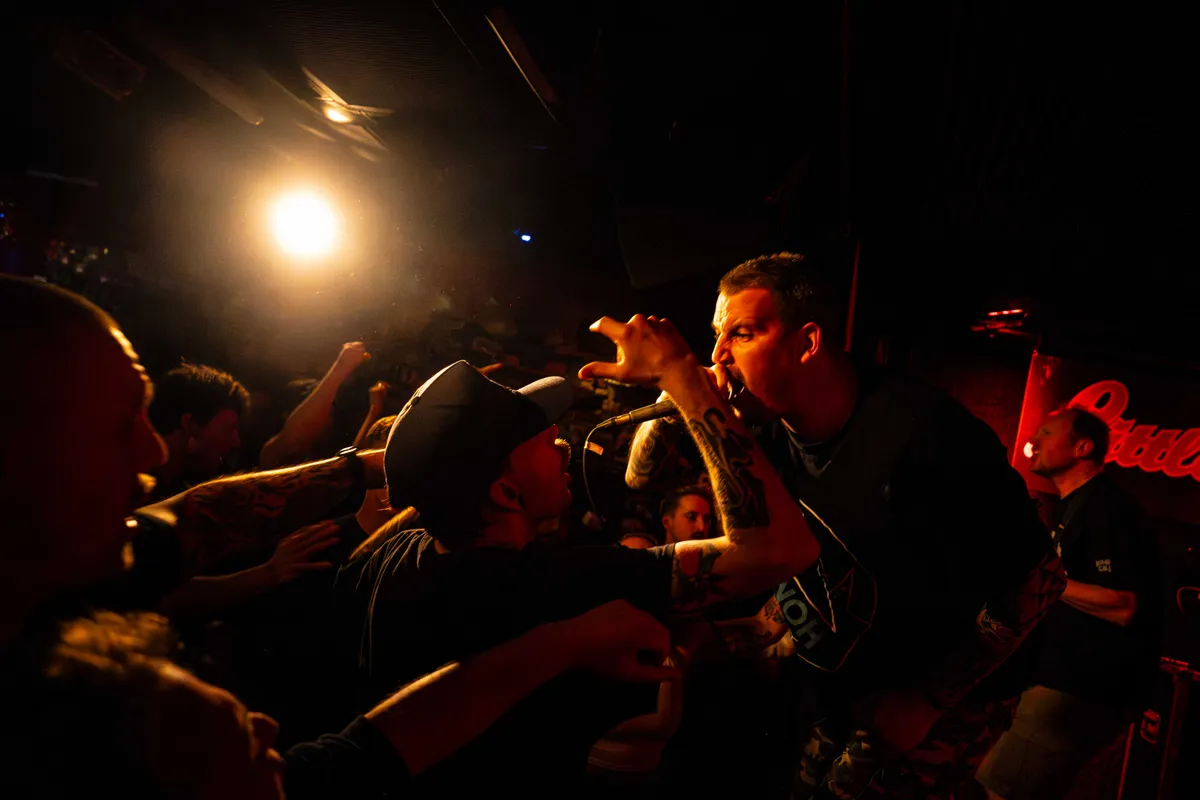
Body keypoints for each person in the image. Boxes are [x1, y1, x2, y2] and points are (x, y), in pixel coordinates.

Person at [622, 253, 1066, 797]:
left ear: (807, 343)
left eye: (741, 334)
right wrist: (682, 391)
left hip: (935, 702)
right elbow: (640, 476)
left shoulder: (925, 435)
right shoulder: (764, 425)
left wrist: (927, 701)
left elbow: (1040, 579)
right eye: (717, 336)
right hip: (841, 681)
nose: (719, 356)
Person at [341, 354, 822, 793]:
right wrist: (689, 389)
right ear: (505, 493)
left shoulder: (390, 557)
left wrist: (424, 465)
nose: (564, 446)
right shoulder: (558, 588)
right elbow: (781, 549)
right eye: (543, 442)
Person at [4, 600, 674, 800]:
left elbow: (396, 734)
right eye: (241, 741)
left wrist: (571, 639)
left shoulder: (284, 788)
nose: (269, 725)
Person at [975, 408, 1162, 800]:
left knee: (1002, 788)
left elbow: (1123, 605)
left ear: (1082, 447)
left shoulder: (1104, 507)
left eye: (1046, 432)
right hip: (1070, 683)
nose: (1033, 441)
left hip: (1081, 684)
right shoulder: (1079, 506)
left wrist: (1038, 578)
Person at [148, 362, 250, 499]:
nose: (236, 441)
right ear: (190, 424)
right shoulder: (133, 495)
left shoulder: (181, 488)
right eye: (228, 429)